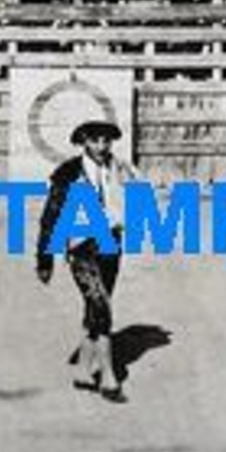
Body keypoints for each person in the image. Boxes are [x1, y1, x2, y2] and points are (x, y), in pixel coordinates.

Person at [36, 120, 138, 404]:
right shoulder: (67, 174)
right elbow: (50, 217)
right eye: (95, 141)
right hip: (81, 247)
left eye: (107, 141)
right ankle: (108, 377)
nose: (102, 146)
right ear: (83, 142)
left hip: (111, 244)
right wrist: (45, 258)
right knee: (101, 306)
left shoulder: (118, 168)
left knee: (96, 305)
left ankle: (83, 370)